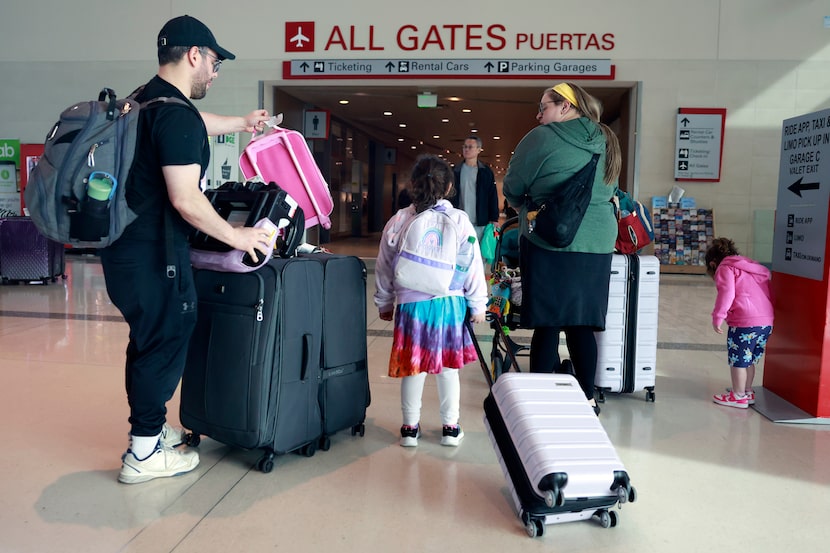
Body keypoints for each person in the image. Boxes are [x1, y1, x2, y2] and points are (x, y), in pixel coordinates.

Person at [102, 15, 273, 484]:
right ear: (195, 55)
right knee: (164, 343)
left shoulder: (145, 100)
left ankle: (150, 433)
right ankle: (143, 453)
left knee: (148, 342)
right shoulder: (174, 114)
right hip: (155, 255)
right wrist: (239, 237)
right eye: (215, 63)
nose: (215, 73)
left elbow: (193, 124)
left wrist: (242, 123)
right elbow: (186, 199)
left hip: (124, 250)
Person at [502, 82, 621, 415]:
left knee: (548, 323)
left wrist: (524, 207)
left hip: (549, 239)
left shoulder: (541, 138)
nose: (539, 115)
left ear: (566, 106)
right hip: (597, 244)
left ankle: (541, 400)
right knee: (582, 324)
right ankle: (587, 399)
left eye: (544, 107)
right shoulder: (607, 139)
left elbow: (513, 186)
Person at [374, 154, 488, 447]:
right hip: (449, 304)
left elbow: (384, 266)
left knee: (413, 367)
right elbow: (471, 266)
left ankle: (409, 429)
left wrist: (385, 302)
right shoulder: (459, 220)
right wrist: (478, 304)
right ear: (448, 187)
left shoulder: (399, 220)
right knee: (448, 368)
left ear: (413, 184)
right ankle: (450, 428)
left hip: (411, 305)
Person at [706, 237, 774, 409]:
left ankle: (738, 395)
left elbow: (727, 293)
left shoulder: (725, 268)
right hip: (766, 321)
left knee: (738, 361)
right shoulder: (752, 267)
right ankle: (747, 391)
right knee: (749, 359)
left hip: (745, 322)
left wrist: (718, 316)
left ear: (713, 263)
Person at [451, 136, 500, 243]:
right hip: (459, 221)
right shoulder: (455, 171)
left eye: (470, 147)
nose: (466, 149)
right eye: (464, 147)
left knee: (480, 251)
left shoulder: (486, 172)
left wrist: (494, 218)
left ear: (478, 149)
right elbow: (449, 195)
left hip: (480, 222)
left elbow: (492, 196)